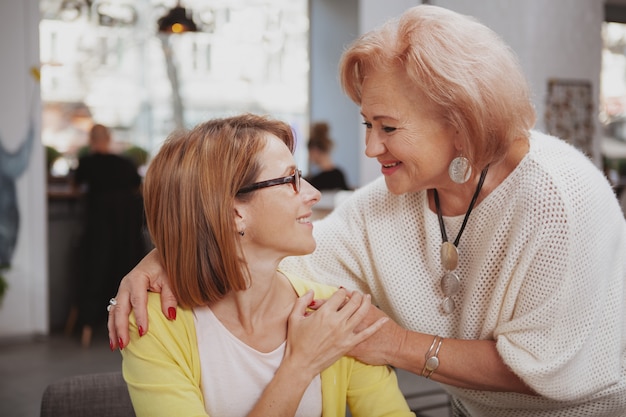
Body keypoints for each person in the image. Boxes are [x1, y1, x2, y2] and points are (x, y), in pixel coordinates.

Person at [108, 5, 626, 417]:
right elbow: (269, 263)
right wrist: (164, 258)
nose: (372, 149)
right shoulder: (386, 205)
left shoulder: (560, 200)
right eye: (366, 125)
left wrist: (396, 344)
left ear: (460, 121)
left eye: (389, 127)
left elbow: (547, 370)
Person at [112, 113, 414, 417]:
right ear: (234, 214)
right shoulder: (151, 322)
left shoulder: (333, 315)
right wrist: (301, 364)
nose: (313, 193)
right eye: (292, 179)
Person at [72, 123, 146, 347]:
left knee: (91, 269)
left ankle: (86, 325)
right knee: (122, 267)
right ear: (109, 138)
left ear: (91, 141)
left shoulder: (86, 163)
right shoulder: (125, 163)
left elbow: (75, 188)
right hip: (128, 241)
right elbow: (138, 189)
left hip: (99, 237)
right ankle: (132, 323)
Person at [306, 122, 350, 191]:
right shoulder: (339, 174)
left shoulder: (316, 180)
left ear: (315, 151)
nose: (308, 157)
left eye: (309, 152)